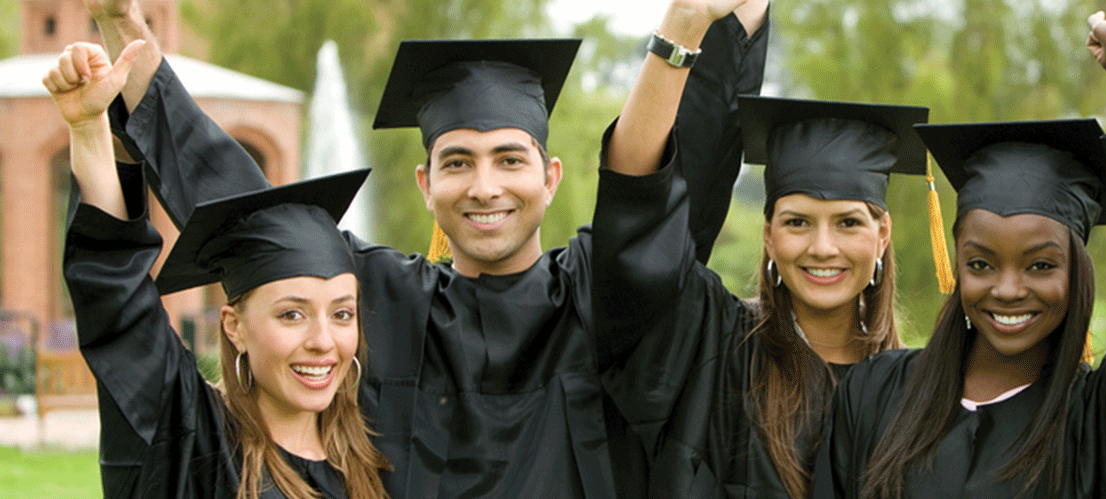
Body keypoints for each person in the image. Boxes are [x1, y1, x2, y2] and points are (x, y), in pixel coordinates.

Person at [83, 0, 768, 496]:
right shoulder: (381, 298)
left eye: (509, 158)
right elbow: (248, 209)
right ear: (425, 184)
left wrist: (706, 24)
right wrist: (125, 26)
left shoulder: (599, 296)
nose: (484, 186)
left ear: (551, 177)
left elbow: (648, 193)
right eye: (458, 161)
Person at [815, 13, 1106, 498]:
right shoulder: (876, 393)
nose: (1008, 289)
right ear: (956, 265)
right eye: (981, 264)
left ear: (1076, 272)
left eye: (1040, 265)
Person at [49, 40, 387, 499]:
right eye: (292, 314)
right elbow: (115, 298)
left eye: (342, 314)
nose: (323, 342)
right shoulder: (192, 443)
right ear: (235, 328)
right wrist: (88, 128)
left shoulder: (371, 455)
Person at [600, 71, 927, 496]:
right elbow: (640, 218)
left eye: (848, 223)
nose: (823, 247)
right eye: (798, 223)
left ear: (882, 235)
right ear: (769, 235)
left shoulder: (920, 388)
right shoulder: (716, 349)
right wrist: (685, 30)